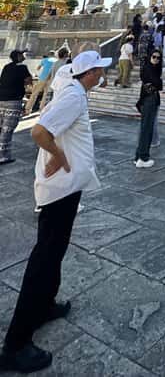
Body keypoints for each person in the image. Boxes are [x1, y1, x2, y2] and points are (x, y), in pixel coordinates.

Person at [0, 49, 111, 374]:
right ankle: (15, 345)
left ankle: (45, 303)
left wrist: (58, 150)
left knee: (56, 249)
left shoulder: (71, 88)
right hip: (59, 190)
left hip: (67, 188)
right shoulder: (74, 97)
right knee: (44, 257)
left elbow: (53, 124)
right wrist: (59, 155)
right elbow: (39, 131)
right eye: (99, 71)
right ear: (89, 74)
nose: (103, 75)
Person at [0, 51, 33, 165]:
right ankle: (3, 156)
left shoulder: (6, 67)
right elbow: (29, 81)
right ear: (18, 57)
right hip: (13, 101)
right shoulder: (22, 67)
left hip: (1, 99)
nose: (24, 57)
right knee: (7, 130)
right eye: (22, 55)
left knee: (1, 128)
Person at [135, 49, 163, 167]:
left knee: (146, 128)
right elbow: (158, 83)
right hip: (149, 100)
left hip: (151, 99)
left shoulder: (154, 69)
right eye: (154, 57)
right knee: (147, 129)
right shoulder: (148, 68)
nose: (156, 59)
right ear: (150, 57)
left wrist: (157, 83)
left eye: (158, 58)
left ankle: (138, 157)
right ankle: (143, 157)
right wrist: (158, 83)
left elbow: (158, 84)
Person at [25, 52, 56, 116]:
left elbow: (38, 68)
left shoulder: (45, 60)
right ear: (54, 55)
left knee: (34, 94)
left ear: (48, 55)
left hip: (42, 78)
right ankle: (41, 110)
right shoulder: (56, 61)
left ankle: (28, 109)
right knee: (45, 95)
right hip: (50, 80)